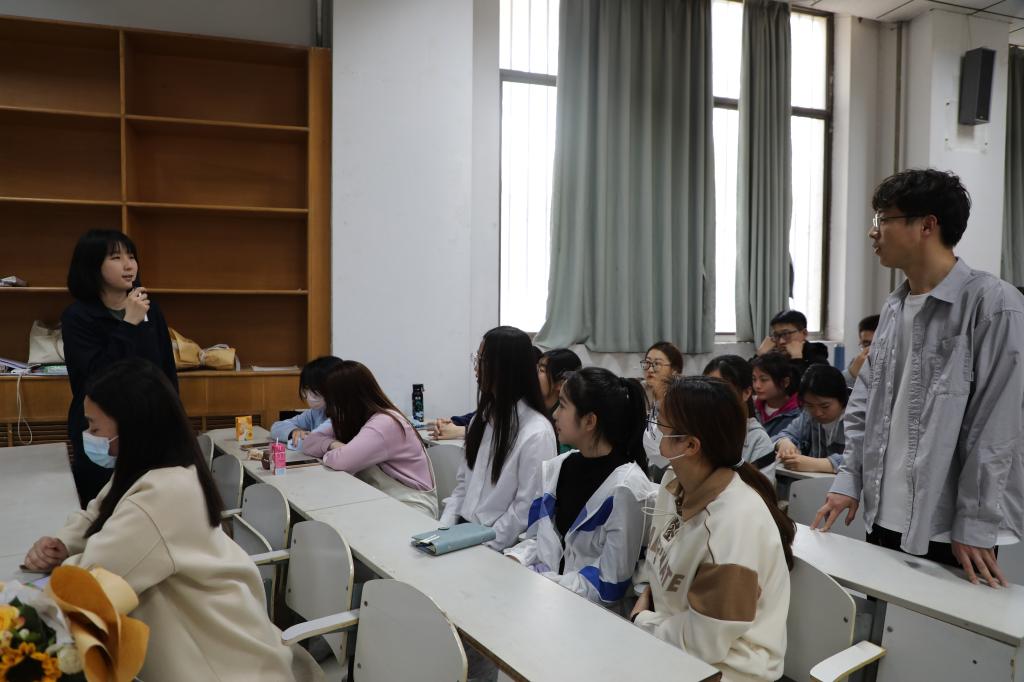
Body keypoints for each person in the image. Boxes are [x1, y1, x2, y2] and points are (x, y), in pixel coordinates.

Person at [23, 360, 320, 682]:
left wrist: (21, 607)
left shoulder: (163, 494)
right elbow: (98, 512)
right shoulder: (152, 468)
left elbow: (91, 585)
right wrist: (61, 543)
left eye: (95, 427)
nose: (89, 435)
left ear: (131, 426)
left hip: (225, 668)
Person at [814, 169, 1024, 588]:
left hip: (948, 529)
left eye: (883, 219)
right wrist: (849, 479)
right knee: (883, 621)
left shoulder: (993, 305)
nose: (873, 232)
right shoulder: (895, 308)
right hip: (882, 515)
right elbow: (865, 405)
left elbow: (996, 427)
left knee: (946, 629)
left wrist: (975, 521)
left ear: (927, 225)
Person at [630, 376, 793, 682]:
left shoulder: (733, 525)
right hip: (673, 645)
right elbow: (666, 570)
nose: (653, 431)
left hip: (727, 670)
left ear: (690, 445)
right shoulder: (673, 483)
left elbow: (704, 643)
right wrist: (649, 600)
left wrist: (643, 621)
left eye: (661, 425)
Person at [504, 368, 655, 609]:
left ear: (589, 421)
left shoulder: (626, 489)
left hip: (590, 615)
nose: (555, 414)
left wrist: (543, 583)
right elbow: (534, 539)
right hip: (545, 600)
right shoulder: (555, 469)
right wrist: (516, 559)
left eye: (563, 406)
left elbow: (610, 584)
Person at [62, 230, 178, 507]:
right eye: (116, 258)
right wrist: (128, 324)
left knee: (151, 505)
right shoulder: (78, 316)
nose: (129, 265)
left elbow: (165, 371)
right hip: (102, 431)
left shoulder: (150, 310)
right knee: (102, 507)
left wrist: (175, 420)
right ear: (92, 265)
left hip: (149, 427)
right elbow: (98, 377)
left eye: (132, 257)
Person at [439, 326, 558, 550]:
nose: (476, 368)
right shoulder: (481, 419)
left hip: (495, 545)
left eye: (482, 360)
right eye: (477, 358)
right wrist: (442, 532)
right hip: (462, 533)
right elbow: (462, 487)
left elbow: (523, 510)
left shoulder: (536, 432)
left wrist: (480, 546)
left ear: (505, 368)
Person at [303, 361, 438, 517]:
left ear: (345, 397)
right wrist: (333, 444)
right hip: (378, 499)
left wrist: (330, 453)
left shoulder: (385, 422)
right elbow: (309, 442)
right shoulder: (354, 417)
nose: (329, 406)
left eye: (332, 398)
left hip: (411, 508)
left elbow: (342, 461)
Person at [703, 355, 775, 471]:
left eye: (721, 390)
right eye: (708, 389)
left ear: (746, 392)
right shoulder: (701, 430)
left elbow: (762, 483)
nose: (713, 397)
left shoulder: (757, 440)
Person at [773, 364, 848, 474]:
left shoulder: (858, 417)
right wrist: (784, 442)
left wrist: (820, 464)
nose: (817, 413)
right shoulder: (808, 415)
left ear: (842, 399)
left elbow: (863, 457)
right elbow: (785, 434)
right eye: (810, 405)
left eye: (825, 406)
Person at [269, 356, 343, 446]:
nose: (309, 396)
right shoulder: (316, 412)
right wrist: (294, 431)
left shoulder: (345, 416)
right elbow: (276, 427)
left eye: (316, 391)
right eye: (306, 389)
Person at [640, 341, 684, 482]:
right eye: (647, 363)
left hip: (674, 468)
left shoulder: (680, 402)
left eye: (657, 364)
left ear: (674, 371)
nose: (650, 369)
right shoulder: (641, 394)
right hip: (650, 466)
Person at [755, 309, 829, 378]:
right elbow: (750, 380)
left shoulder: (817, 357)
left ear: (804, 333)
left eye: (786, 334)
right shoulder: (775, 356)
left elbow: (799, 385)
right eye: (776, 335)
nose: (781, 341)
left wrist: (796, 358)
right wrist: (759, 355)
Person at [750, 351, 801, 438]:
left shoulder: (798, 414)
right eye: (754, 379)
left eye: (764, 380)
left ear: (785, 382)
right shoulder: (752, 407)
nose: (757, 386)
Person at [843, 315, 879, 388]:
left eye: (876, 343)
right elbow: (838, 388)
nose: (871, 349)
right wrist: (852, 373)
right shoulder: (858, 361)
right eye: (866, 344)